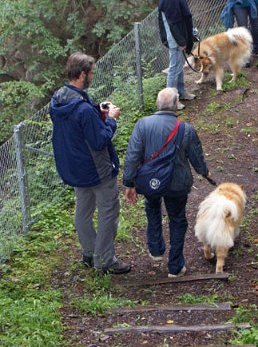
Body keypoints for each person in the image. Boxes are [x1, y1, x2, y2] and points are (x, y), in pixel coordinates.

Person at [50, 52, 131, 275]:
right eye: (92, 73)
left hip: (75, 168)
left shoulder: (58, 99)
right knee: (108, 211)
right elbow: (99, 140)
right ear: (82, 74)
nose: (93, 76)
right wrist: (111, 119)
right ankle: (104, 260)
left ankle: (89, 252)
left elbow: (78, 126)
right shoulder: (83, 109)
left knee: (83, 211)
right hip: (97, 169)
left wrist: (98, 113)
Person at [123, 87, 209, 278]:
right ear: (176, 105)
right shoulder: (186, 130)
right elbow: (196, 157)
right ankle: (175, 266)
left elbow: (132, 155)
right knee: (177, 219)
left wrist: (129, 183)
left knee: (152, 208)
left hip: (150, 182)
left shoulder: (142, 125)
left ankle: (156, 250)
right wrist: (204, 172)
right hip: (177, 183)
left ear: (157, 104)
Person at [158, 0, 196, 110]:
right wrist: (181, 41)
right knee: (174, 69)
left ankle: (181, 92)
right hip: (175, 37)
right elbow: (173, 22)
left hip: (177, 34)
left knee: (179, 66)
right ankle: (170, 101)